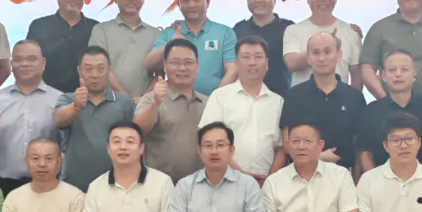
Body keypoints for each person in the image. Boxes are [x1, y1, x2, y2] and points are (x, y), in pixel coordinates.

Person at [0, 40, 61, 195]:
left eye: (32, 59)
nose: (25, 64)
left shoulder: (59, 99)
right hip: (4, 185)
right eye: (18, 59)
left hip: (49, 184)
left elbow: (67, 145)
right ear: (12, 64)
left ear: (43, 63)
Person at [199, 35, 285, 185]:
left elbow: (281, 147)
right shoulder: (220, 96)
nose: (252, 62)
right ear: (236, 64)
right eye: (246, 57)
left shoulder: (278, 102)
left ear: (267, 64)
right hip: (225, 181)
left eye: (258, 57)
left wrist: (271, 179)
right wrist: (239, 174)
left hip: (266, 184)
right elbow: (207, 140)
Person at [279, 32, 366, 174]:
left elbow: (360, 148)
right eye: (315, 53)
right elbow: (287, 143)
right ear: (308, 58)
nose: (322, 58)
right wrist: (317, 158)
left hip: (343, 176)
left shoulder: (354, 97)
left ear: (339, 55)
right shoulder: (295, 95)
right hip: (302, 175)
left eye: (327, 52)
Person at [357, 50, 422, 176]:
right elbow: (365, 153)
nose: (398, 74)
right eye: (392, 70)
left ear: (414, 73)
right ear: (383, 75)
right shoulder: (371, 111)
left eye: (404, 69)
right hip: (383, 182)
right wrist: (375, 181)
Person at [54, 47, 135, 192]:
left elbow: (135, 139)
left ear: (109, 70)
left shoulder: (124, 102)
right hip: (74, 185)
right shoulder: (68, 98)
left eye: (100, 69)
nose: (94, 75)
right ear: (79, 71)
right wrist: (76, 107)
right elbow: (59, 120)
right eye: (88, 69)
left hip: (115, 185)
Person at [145, 0, 236, 95]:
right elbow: (149, 66)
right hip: (175, 102)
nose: (192, 5)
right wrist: (171, 44)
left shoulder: (225, 33)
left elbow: (232, 70)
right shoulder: (169, 33)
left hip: (215, 102)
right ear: (178, 4)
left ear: (207, 1)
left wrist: (215, 100)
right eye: (186, 1)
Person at [134, 38, 206, 184]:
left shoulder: (208, 102)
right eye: (175, 62)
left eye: (188, 62)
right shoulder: (150, 99)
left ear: (197, 67)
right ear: (165, 66)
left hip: (200, 186)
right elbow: (137, 131)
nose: (182, 68)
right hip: (159, 186)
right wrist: (155, 104)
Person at [282, 0, 362, 89]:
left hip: (340, 99)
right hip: (302, 99)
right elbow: (291, 64)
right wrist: (324, 44)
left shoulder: (351, 32)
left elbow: (357, 75)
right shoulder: (293, 30)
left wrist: (353, 98)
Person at [88, 0, 160, 98]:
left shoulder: (156, 34)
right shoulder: (101, 30)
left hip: (145, 103)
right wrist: (125, 98)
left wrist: (145, 99)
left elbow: (160, 74)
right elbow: (99, 67)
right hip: (108, 102)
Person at [26, 0, 99, 94]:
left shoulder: (96, 28)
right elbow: (29, 63)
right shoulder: (39, 26)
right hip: (45, 97)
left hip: (87, 98)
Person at [232, 0, 294, 97]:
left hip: (282, 97)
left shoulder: (288, 28)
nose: (259, 0)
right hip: (245, 97)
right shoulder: (239, 29)